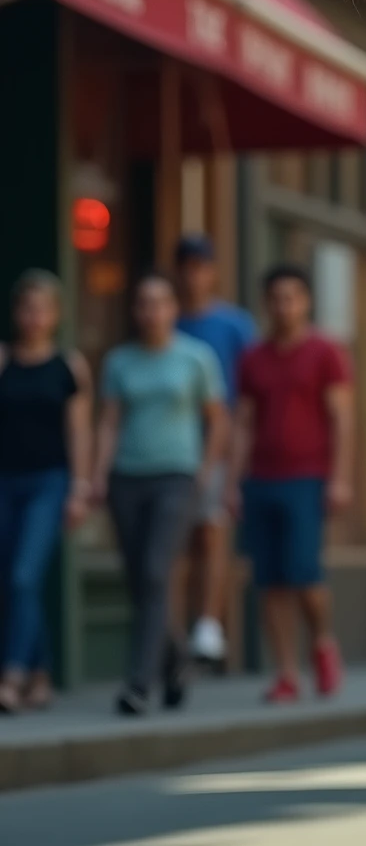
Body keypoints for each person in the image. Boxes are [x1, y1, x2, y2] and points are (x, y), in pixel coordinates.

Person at [94, 274, 226, 716]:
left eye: (160, 302)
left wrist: (204, 472)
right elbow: (110, 422)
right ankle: (176, 661)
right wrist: (98, 476)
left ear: (173, 308)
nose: (152, 311)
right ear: (135, 311)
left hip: (176, 477)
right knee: (139, 580)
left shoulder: (195, 358)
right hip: (126, 478)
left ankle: (138, 684)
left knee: (155, 571)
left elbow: (217, 419)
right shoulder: (119, 361)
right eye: (143, 303)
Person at [232, 266, 354, 702]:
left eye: (292, 297)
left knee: (304, 575)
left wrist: (339, 478)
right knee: (270, 581)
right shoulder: (253, 358)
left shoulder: (325, 351)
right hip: (261, 478)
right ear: (267, 303)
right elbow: (244, 422)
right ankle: (286, 673)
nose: (284, 306)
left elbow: (342, 418)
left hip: (307, 477)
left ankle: (322, 642)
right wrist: (233, 481)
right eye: (276, 298)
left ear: (306, 302)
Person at [0, 271, 93, 713]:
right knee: (14, 579)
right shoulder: (2, 359)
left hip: (50, 481)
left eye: (42, 309)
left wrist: (80, 486)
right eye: (26, 308)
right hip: (5, 479)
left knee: (23, 574)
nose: (33, 317)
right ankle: (41, 672)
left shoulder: (69, 367)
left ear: (56, 315)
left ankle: (13, 672)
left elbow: (79, 430)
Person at [174, 234, 256, 670]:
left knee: (211, 534)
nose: (193, 275)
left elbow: (250, 392)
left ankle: (208, 626)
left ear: (213, 271)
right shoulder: (168, 323)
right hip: (172, 446)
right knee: (177, 545)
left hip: (220, 446)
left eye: (201, 265)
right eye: (186, 266)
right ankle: (177, 632)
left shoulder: (235, 326)